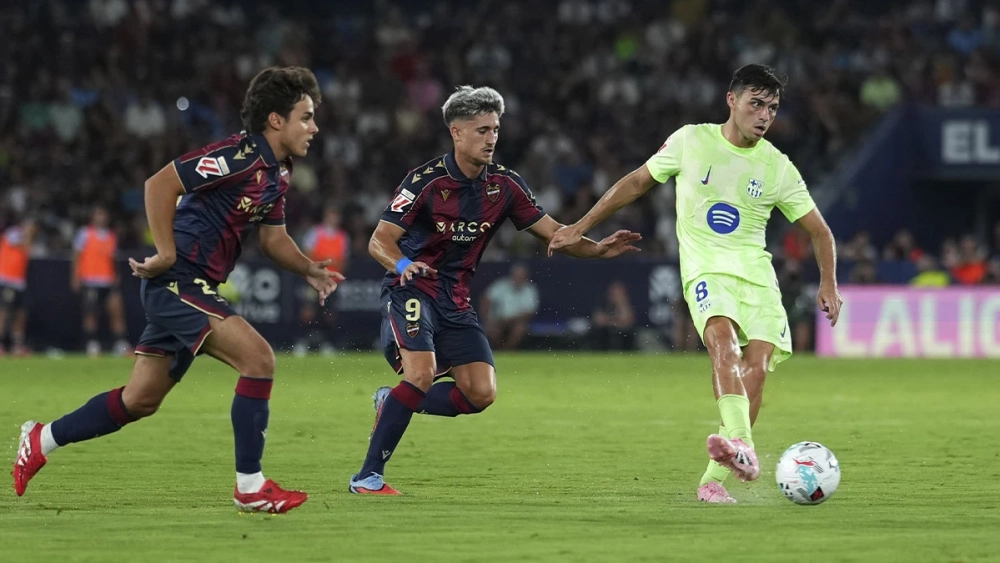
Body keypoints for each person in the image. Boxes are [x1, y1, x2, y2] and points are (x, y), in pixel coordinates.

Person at [13, 67, 343, 514]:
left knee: (139, 400)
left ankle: (41, 438)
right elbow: (159, 184)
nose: (314, 127)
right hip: (178, 282)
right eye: (306, 117)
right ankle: (250, 486)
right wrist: (165, 251)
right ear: (275, 121)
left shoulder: (279, 171)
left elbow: (272, 238)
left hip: (193, 285)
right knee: (259, 359)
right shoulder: (237, 156)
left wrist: (307, 269)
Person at [549, 64, 842, 503]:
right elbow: (635, 183)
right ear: (732, 100)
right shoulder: (690, 140)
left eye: (773, 108)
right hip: (706, 269)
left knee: (757, 369)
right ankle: (742, 444)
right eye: (756, 104)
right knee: (723, 345)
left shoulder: (777, 167)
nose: (764, 116)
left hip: (757, 276)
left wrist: (829, 284)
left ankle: (713, 480)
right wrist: (581, 225)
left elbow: (820, 231)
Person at [349, 85, 642, 495]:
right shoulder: (425, 182)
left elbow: (556, 234)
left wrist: (596, 250)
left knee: (480, 393)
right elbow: (379, 240)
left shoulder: (505, 185)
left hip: (456, 298)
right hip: (411, 288)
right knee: (421, 374)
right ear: (456, 132)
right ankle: (367, 477)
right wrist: (403, 264)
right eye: (482, 130)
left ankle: (391, 400)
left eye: (496, 130)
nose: (492, 139)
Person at [72, 205, 130, 356]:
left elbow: (113, 259)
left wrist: (116, 275)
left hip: (108, 280)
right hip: (90, 279)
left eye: (103, 214)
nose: (101, 217)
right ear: (93, 217)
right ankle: (92, 343)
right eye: (98, 214)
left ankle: (120, 343)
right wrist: (75, 277)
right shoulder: (84, 233)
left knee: (116, 310)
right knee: (91, 313)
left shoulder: (112, 236)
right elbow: (76, 257)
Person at [295, 203, 349, 355]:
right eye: (332, 214)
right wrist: (327, 260)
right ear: (326, 216)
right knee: (308, 311)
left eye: (336, 215)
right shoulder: (315, 233)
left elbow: (343, 261)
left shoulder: (342, 237)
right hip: (315, 280)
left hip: (333, 282)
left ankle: (327, 343)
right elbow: (307, 254)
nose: (334, 218)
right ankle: (302, 342)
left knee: (330, 314)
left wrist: (331, 262)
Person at [480, 263, 538, 350]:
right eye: (517, 276)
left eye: (521, 277)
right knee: (491, 330)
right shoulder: (501, 285)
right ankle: (497, 350)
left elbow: (529, 312)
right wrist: (487, 320)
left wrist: (510, 319)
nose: (518, 279)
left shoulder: (530, 289)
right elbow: (486, 300)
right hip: (497, 320)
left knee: (519, 329)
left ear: (526, 277)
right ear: (512, 275)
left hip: (516, 322)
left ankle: (506, 351)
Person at [0, 216, 36, 356]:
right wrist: (28, 233)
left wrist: (30, 236)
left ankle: (17, 344)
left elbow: (29, 251)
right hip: (7, 279)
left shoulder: (28, 238)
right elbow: (24, 246)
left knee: (21, 313)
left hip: (20, 282)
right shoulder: (13, 232)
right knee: (3, 312)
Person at [590, 281, 636, 351]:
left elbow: (627, 323)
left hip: (623, 340)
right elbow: (597, 320)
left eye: (618, 293)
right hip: (604, 338)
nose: (615, 295)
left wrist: (621, 303)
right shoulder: (603, 304)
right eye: (613, 293)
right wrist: (615, 321)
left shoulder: (625, 305)